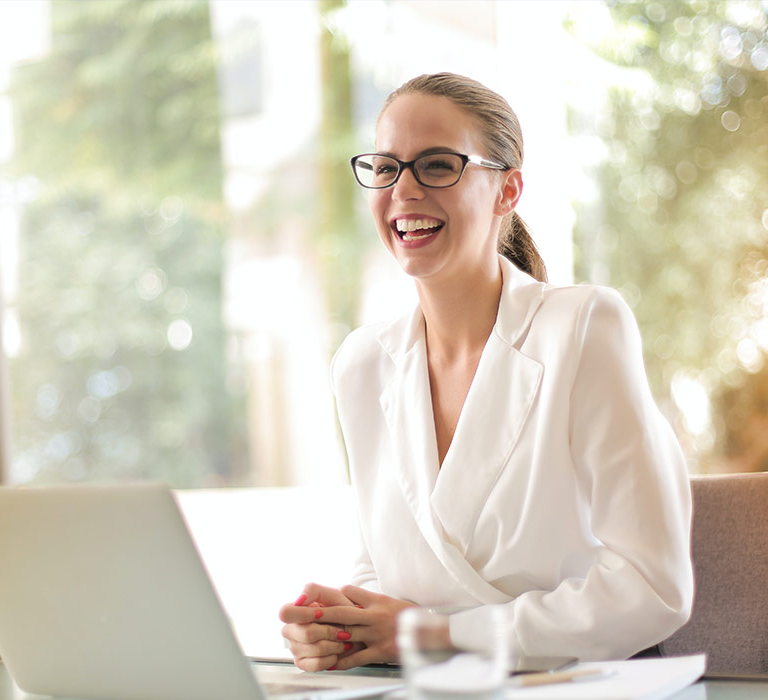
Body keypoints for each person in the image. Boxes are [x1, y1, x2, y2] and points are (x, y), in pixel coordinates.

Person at [278, 72, 693, 672]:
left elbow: (653, 587)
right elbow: (384, 561)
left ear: (508, 189)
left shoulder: (582, 328)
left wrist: (437, 634)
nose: (404, 190)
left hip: (574, 682)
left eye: (437, 165)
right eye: (387, 167)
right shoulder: (362, 365)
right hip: (434, 686)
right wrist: (342, 626)